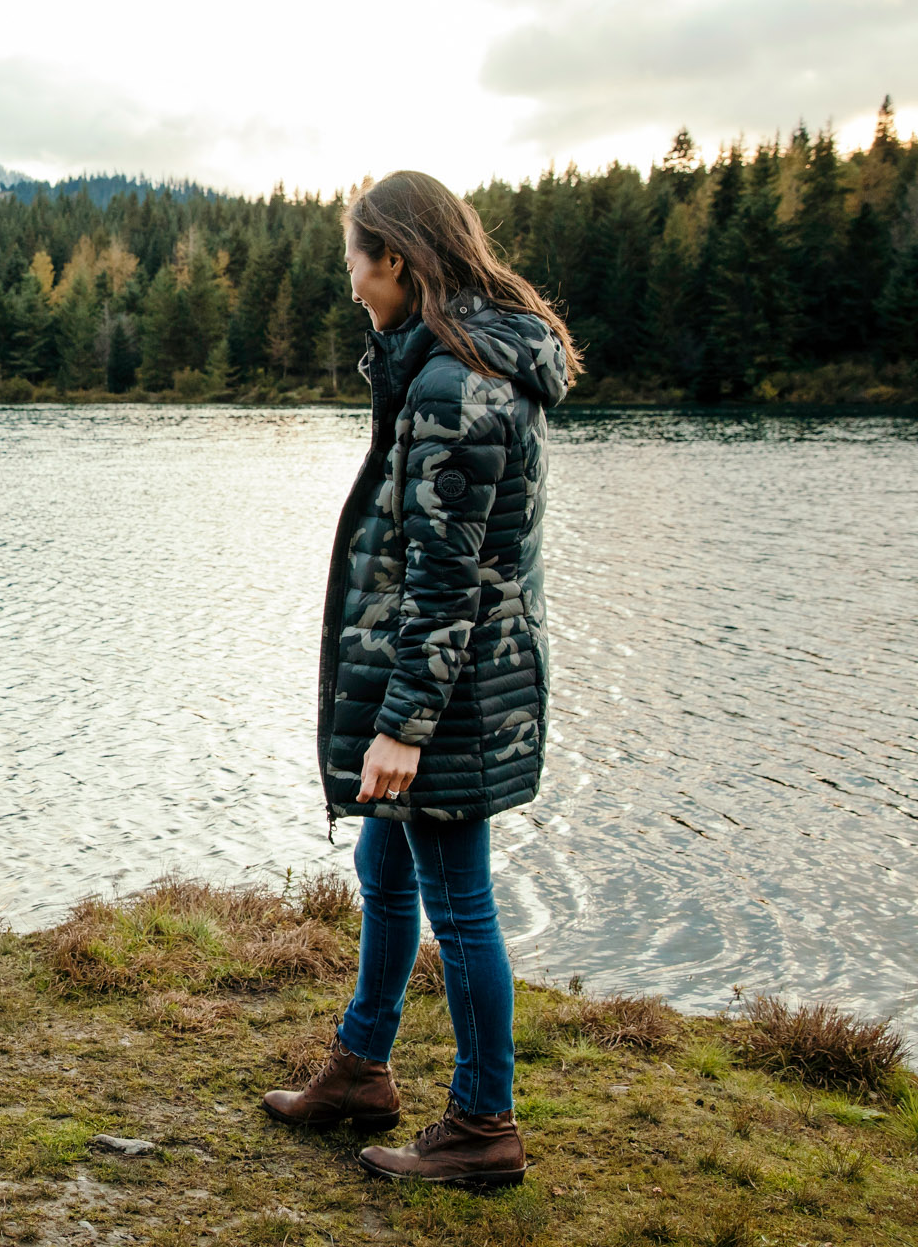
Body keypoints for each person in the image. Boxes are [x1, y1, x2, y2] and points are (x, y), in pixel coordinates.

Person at [259, 170, 579, 1188]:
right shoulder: (445, 368)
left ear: (395, 257)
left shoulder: (457, 387)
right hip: (454, 688)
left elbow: (448, 584)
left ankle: (485, 1124)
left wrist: (400, 728)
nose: (351, 281)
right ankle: (361, 1068)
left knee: (461, 903)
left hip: (452, 701)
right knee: (385, 872)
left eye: (355, 259)